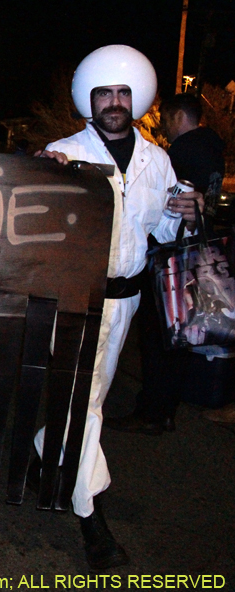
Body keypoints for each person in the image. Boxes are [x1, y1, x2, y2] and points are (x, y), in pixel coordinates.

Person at [34, 45, 204, 571]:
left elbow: (161, 231)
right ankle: (92, 520)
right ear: (89, 98)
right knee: (85, 403)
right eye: (104, 92)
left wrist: (186, 213)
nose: (113, 102)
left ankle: (48, 449)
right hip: (73, 297)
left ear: (138, 97)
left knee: (87, 398)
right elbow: (32, 217)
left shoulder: (158, 159)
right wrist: (46, 175)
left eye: (122, 92)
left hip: (126, 300)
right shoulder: (61, 151)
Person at [106, 93, 227, 435]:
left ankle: (155, 411)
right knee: (180, 333)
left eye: (164, 119)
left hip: (170, 260)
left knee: (159, 338)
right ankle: (164, 406)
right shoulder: (214, 150)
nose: (162, 126)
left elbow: (168, 208)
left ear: (175, 117)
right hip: (195, 257)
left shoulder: (181, 153)